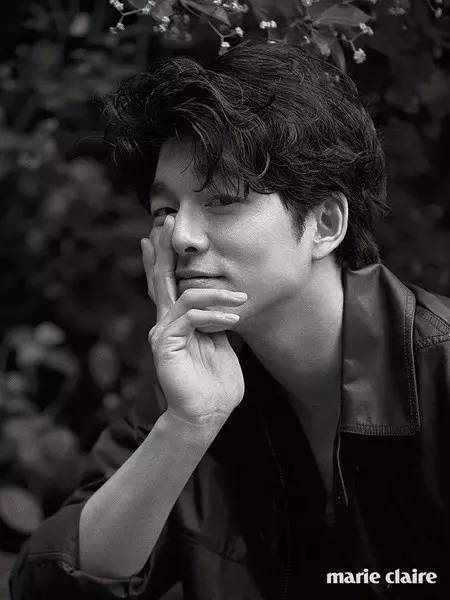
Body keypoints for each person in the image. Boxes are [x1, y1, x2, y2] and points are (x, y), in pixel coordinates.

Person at [9, 40, 450, 600]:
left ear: (325, 223)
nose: (183, 237)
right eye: (166, 210)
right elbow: (46, 586)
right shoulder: (192, 383)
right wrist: (187, 427)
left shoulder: (439, 370)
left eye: (222, 200)